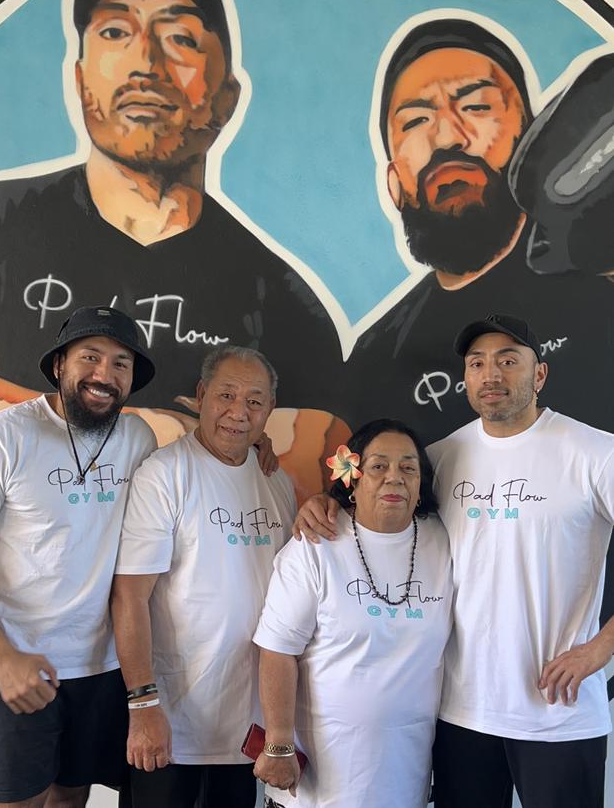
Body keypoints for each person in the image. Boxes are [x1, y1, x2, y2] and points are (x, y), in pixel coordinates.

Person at [0, 0, 349, 489]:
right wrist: (151, 430)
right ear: (79, 79)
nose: (146, 63)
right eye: (116, 32)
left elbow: (317, 452)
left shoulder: (286, 305)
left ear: (226, 98)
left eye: (181, 38)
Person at [296, 313, 614, 808]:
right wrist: (330, 499)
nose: (492, 375)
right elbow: (381, 496)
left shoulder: (595, 454)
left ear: (540, 374)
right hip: (461, 716)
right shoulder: (442, 458)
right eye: (478, 363)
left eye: (509, 361)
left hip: (560, 716)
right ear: (465, 378)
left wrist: (600, 650)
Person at [344, 17, 613, 442]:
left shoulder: (600, 267)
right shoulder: (375, 356)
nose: (448, 137)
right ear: (394, 184)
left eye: (476, 106)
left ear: (532, 138)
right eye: (415, 122)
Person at [0, 305, 157, 808]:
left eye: (121, 363)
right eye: (90, 357)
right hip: (14, 661)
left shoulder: (138, 439)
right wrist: (2, 658)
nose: (104, 374)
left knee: (72, 798)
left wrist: (256, 445)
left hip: (100, 667)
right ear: (58, 366)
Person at [110, 345, 297, 808]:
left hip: (248, 732)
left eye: (255, 401)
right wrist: (143, 705)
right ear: (201, 395)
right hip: (173, 727)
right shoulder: (164, 475)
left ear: (270, 410)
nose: (238, 412)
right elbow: (129, 598)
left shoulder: (278, 482)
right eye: (226, 395)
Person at [252, 419, 452, 808]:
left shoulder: (443, 541)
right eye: (379, 466)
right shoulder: (314, 545)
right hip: (317, 788)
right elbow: (278, 650)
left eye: (408, 467)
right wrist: (277, 743)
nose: (394, 478)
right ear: (353, 479)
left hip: (404, 781)